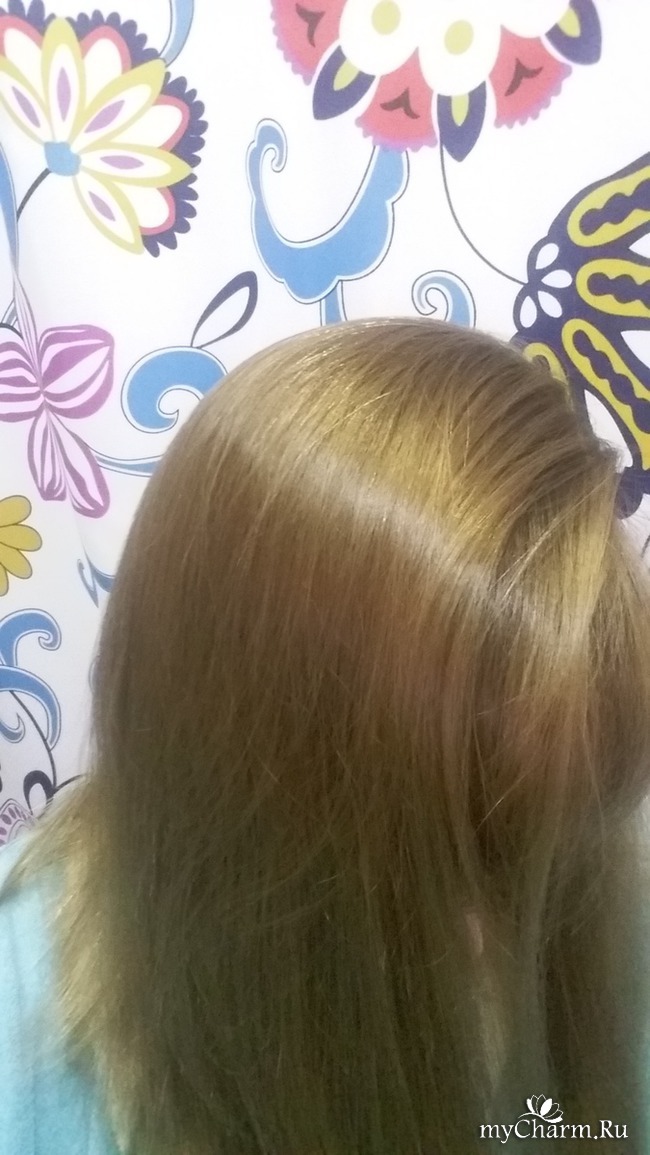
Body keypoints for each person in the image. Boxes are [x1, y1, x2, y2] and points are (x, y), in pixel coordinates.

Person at [1, 318, 649, 1155]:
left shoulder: (606, 921)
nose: (496, 932)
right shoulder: (26, 1032)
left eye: (527, 840)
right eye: (445, 850)